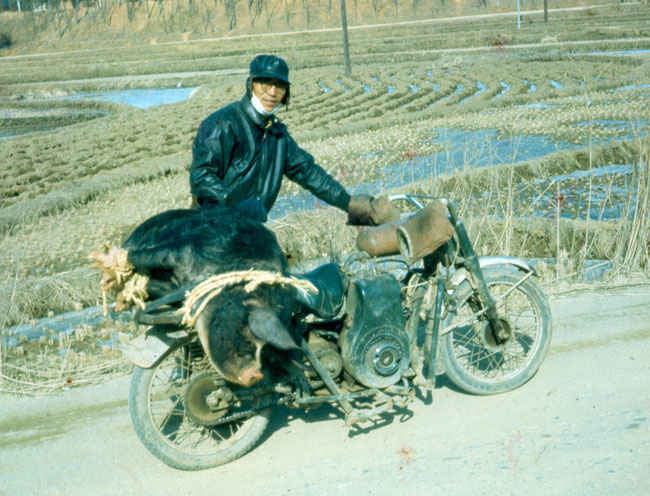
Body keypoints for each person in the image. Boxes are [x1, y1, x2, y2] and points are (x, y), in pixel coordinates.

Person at [189, 54, 395, 225]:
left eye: (279, 86)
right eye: (265, 83)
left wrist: (349, 203)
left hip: (251, 229)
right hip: (212, 227)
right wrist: (233, 206)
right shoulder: (223, 124)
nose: (272, 92)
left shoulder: (277, 135)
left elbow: (308, 172)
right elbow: (201, 176)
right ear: (251, 84)